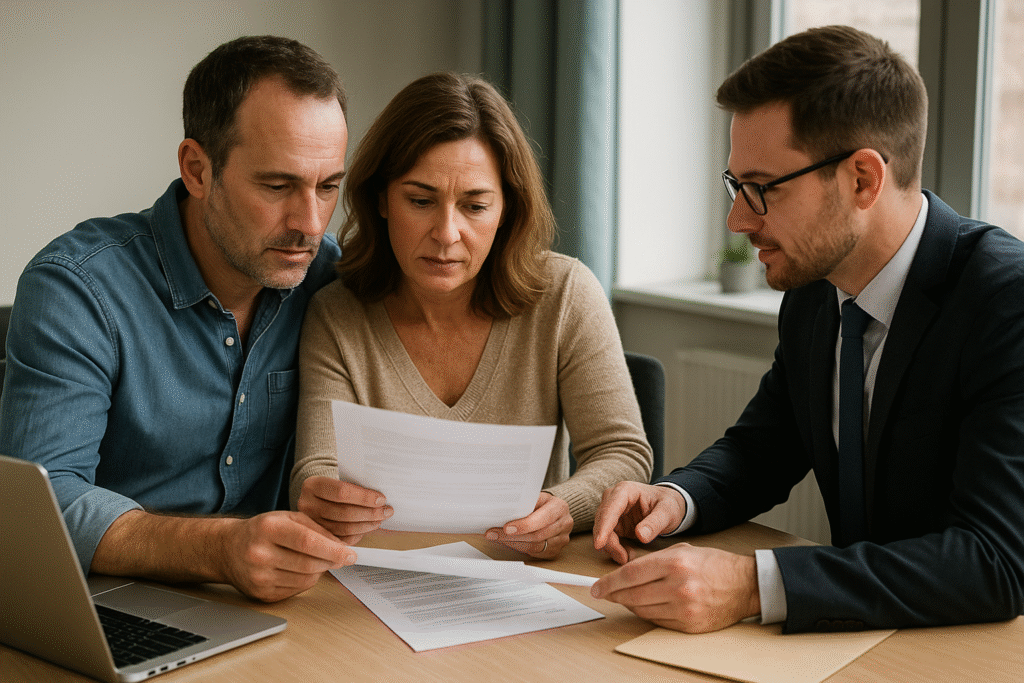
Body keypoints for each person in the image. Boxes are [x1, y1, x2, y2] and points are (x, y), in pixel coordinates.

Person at [590, 25, 1024, 633]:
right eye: (736, 186)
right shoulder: (818, 290)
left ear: (863, 180)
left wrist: (750, 584)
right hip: (870, 638)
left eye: (762, 189)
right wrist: (678, 498)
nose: (738, 219)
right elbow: (765, 447)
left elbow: (995, 562)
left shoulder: (1005, 300)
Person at [0, 36, 357, 602]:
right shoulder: (78, 288)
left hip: (279, 610)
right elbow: (40, 510)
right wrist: (220, 549)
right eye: (277, 186)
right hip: (106, 602)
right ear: (197, 169)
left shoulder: (329, 277)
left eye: (328, 187)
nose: (309, 224)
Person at [291, 72, 653, 558]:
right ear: (380, 199)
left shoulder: (566, 294)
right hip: (379, 584)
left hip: (524, 580)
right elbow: (317, 468)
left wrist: (562, 505)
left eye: (475, 206)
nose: (447, 233)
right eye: (420, 201)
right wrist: (324, 498)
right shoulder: (337, 314)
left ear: (507, 208)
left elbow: (623, 454)